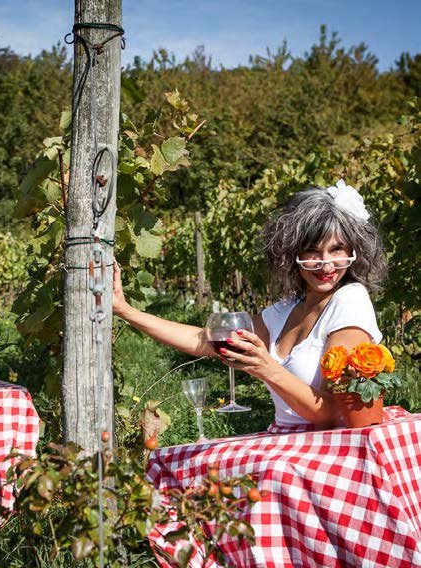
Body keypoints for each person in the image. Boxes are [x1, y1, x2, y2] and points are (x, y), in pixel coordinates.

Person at [113, 180, 387, 429]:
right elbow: (204, 340)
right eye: (312, 252)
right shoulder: (286, 309)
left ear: (354, 252)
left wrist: (267, 367)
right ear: (292, 255)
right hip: (284, 440)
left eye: (337, 249)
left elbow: (332, 413)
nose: (326, 264)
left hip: (326, 451)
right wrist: (125, 310)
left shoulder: (349, 301)